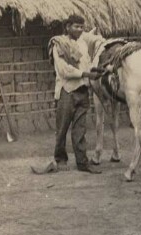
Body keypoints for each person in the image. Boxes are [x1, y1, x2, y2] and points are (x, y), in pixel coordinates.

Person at [33, 14, 102, 175]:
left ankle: (82, 162)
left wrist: (95, 71)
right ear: (68, 27)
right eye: (76, 26)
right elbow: (64, 70)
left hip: (82, 91)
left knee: (80, 129)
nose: (79, 30)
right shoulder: (59, 44)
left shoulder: (84, 46)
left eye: (82, 27)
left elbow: (88, 66)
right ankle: (60, 160)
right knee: (62, 128)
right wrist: (85, 74)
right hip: (67, 91)